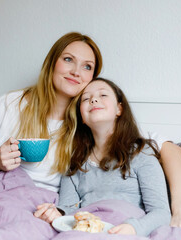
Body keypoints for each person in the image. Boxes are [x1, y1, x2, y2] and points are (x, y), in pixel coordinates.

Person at [0, 32, 181, 229]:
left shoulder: (92, 124)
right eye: (68, 59)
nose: (77, 71)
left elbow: (168, 150)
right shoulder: (9, 105)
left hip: (38, 210)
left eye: (87, 67)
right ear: (51, 62)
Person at [34, 78, 171, 236]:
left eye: (103, 95)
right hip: (87, 230)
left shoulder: (141, 153)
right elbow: (69, 210)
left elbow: (161, 213)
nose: (94, 99)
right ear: (82, 118)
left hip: (124, 229)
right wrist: (56, 213)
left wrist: (134, 228)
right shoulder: (75, 163)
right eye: (86, 98)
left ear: (119, 109)